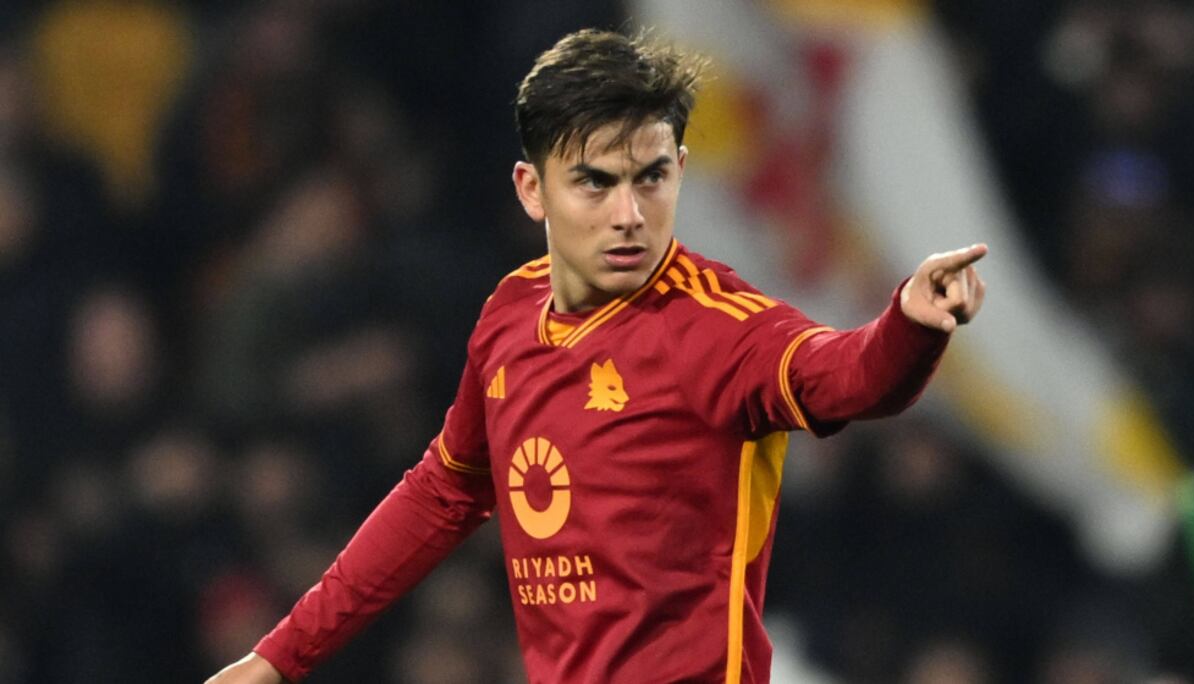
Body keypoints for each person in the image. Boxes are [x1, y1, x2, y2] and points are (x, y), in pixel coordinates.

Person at [207, 28, 987, 684]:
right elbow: (445, 490)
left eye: (651, 178)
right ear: (532, 190)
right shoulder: (510, 316)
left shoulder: (716, 327)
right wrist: (279, 657)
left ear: (680, 171)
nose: (629, 214)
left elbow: (850, 376)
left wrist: (910, 326)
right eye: (595, 183)